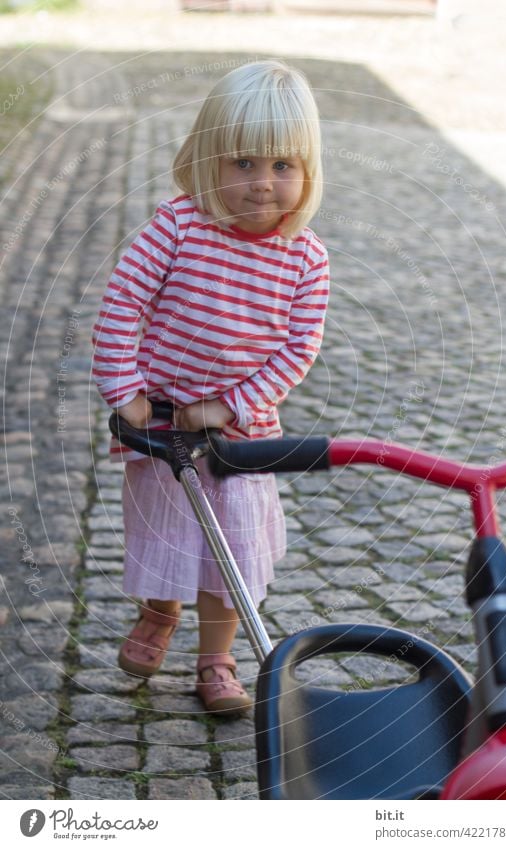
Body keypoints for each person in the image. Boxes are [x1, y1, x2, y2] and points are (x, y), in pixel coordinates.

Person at [92, 58, 329, 715]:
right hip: (161, 423)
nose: (262, 184)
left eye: (282, 166)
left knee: (233, 552)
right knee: (168, 533)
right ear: (207, 161)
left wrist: (227, 406)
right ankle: (159, 613)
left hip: (241, 434)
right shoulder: (177, 228)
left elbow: (297, 348)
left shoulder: (305, 258)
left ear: (306, 170)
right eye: (243, 163)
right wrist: (127, 394)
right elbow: (119, 307)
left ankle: (216, 658)